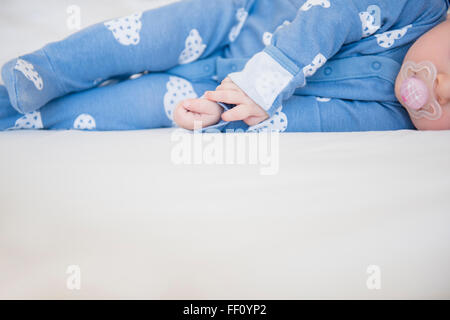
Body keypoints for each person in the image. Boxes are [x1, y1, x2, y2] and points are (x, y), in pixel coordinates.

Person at [0, 0, 448, 132]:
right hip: (232, 25)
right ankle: (45, 71)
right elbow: (330, 17)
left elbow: (311, 120)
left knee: (126, 110)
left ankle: (23, 119)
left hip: (217, 91)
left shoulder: (392, 119)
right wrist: (261, 81)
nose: (443, 90)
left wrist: (224, 114)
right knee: (139, 39)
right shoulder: (420, 8)